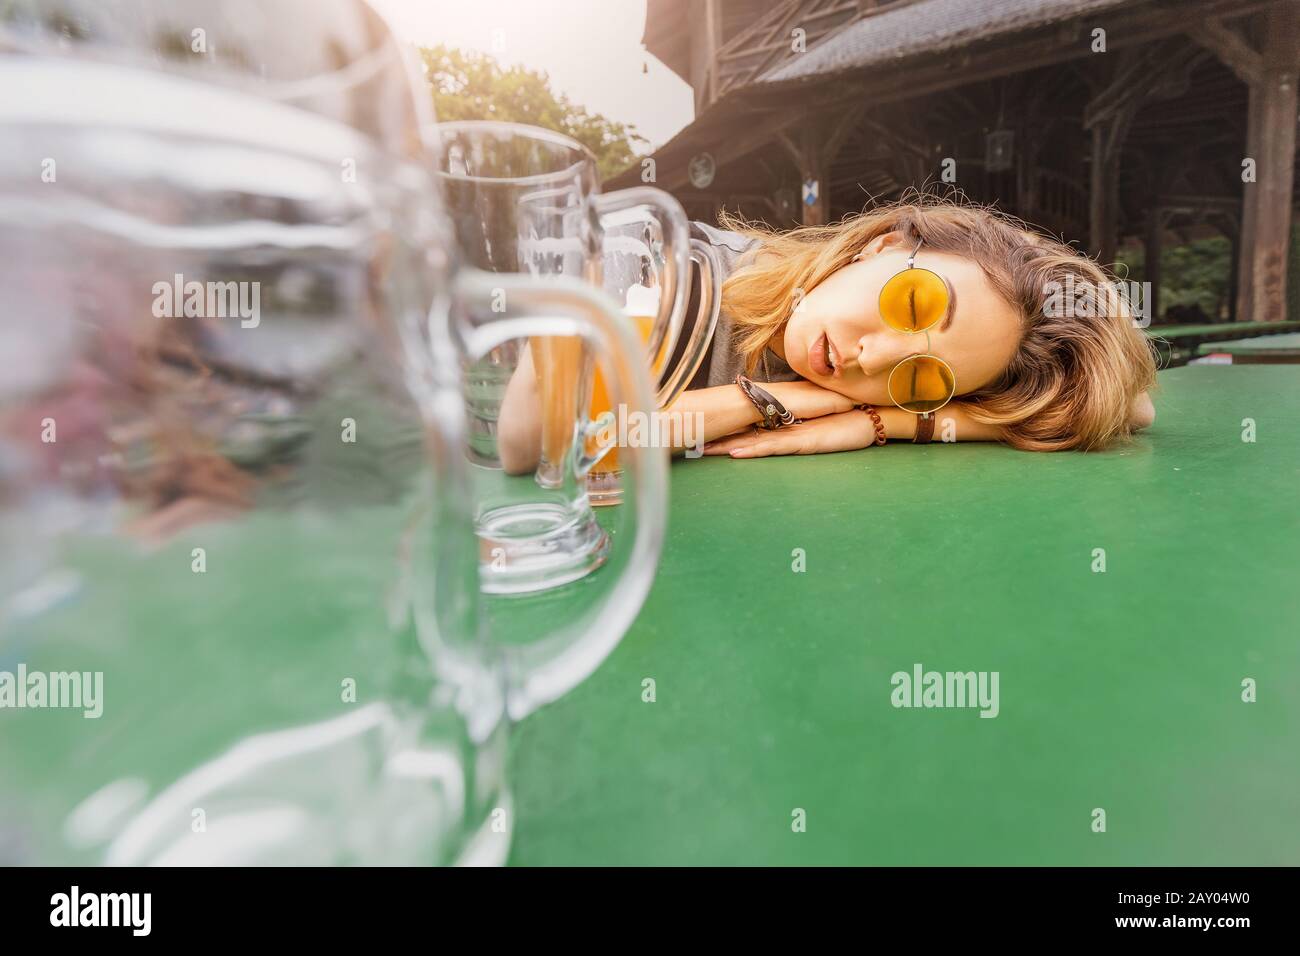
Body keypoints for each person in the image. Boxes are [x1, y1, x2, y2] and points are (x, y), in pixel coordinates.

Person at [499, 197, 1156, 472]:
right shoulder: (652, 266)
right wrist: (765, 403)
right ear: (880, 243)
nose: (877, 357)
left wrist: (881, 420)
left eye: (923, 379)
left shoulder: (880, 396)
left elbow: (1132, 404)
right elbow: (531, 442)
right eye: (914, 303)